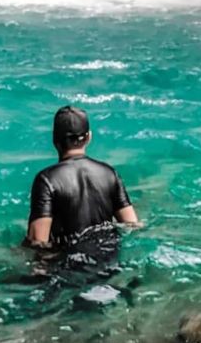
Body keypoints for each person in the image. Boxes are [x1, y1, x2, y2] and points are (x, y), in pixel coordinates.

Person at [25, 106, 138, 248]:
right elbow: (132, 225)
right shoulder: (110, 173)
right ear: (89, 137)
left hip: (65, 266)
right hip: (107, 264)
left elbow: (38, 241)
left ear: (55, 140)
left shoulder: (46, 180)